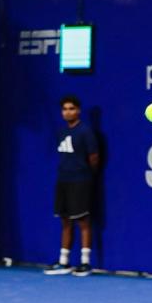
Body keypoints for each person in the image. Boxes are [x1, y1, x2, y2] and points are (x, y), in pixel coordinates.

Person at [44, 95, 99, 276]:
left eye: (71, 109)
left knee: (83, 221)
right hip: (63, 181)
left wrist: (86, 174)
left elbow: (94, 158)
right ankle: (64, 262)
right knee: (65, 221)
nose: (68, 112)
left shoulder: (85, 131)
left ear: (78, 110)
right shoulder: (61, 132)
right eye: (65, 109)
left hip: (81, 181)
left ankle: (85, 262)